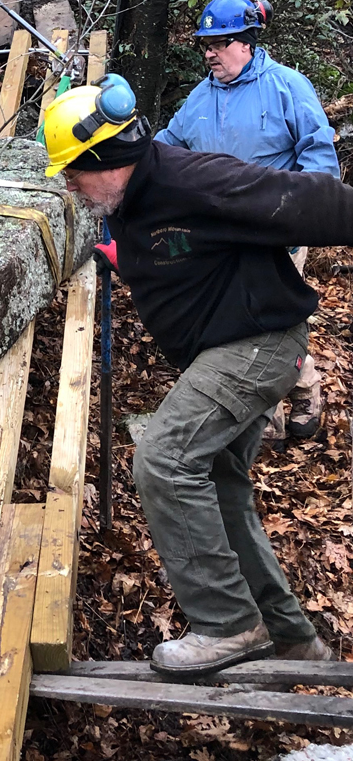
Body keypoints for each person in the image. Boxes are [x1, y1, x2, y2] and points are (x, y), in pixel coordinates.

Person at [39, 74, 353, 676]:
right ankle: (291, 637)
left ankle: (227, 624)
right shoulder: (131, 202)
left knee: (165, 457)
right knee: (218, 479)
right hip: (227, 347)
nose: (72, 187)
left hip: (257, 343)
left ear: (108, 156)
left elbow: (306, 199)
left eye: (74, 172)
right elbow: (171, 249)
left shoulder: (193, 179)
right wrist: (115, 258)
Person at [156, 0, 340, 441]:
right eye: (206, 44)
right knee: (242, 321)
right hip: (222, 236)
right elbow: (167, 147)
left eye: (218, 43)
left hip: (275, 228)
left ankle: (274, 411)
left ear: (245, 42)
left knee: (269, 320)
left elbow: (319, 156)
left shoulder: (286, 86)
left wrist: (299, 220)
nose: (209, 53)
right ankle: (298, 388)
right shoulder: (200, 98)